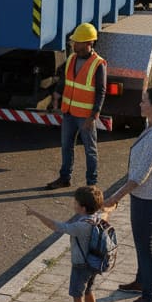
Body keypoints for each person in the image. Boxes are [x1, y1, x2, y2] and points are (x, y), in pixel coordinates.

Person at [103, 87, 152, 302]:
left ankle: (149, 297)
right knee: (141, 245)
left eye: (144, 101)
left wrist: (115, 197)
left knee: (146, 249)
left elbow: (139, 176)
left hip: (148, 199)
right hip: (147, 197)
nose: (140, 104)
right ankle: (140, 281)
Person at [26, 186, 106, 302]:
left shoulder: (80, 226)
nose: (73, 204)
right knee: (88, 291)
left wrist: (36, 213)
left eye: (75, 202)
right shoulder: (97, 218)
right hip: (92, 263)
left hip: (80, 266)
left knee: (77, 296)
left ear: (82, 208)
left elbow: (55, 226)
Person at [47, 22, 107, 190]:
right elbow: (65, 80)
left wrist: (93, 116)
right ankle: (64, 178)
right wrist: (57, 95)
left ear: (89, 43)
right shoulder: (72, 58)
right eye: (74, 41)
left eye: (78, 42)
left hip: (85, 116)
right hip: (69, 112)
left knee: (90, 150)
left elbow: (101, 92)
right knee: (66, 146)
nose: (74, 44)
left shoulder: (98, 64)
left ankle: (91, 185)